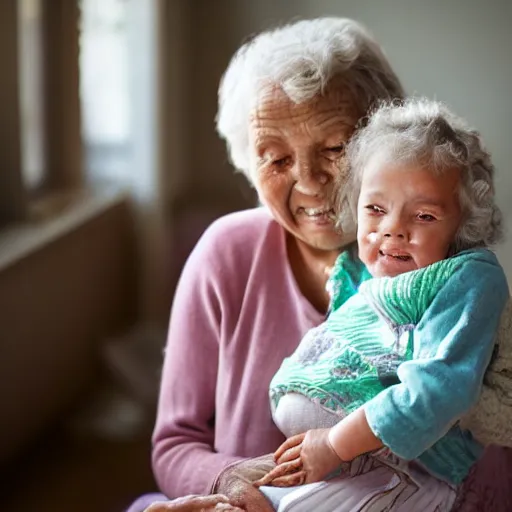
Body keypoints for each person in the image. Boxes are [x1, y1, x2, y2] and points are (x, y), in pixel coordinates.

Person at [125, 16, 405, 512]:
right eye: (276, 159)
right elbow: (175, 442)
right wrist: (229, 477)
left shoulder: (434, 263)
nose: (311, 181)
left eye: (336, 148)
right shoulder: (225, 254)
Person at [252, 98, 508, 511]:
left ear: (463, 223)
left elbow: (439, 388)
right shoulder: (357, 272)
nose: (393, 229)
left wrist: (336, 443)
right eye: (375, 209)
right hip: (343, 462)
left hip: (413, 470)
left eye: (423, 216)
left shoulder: (467, 278)